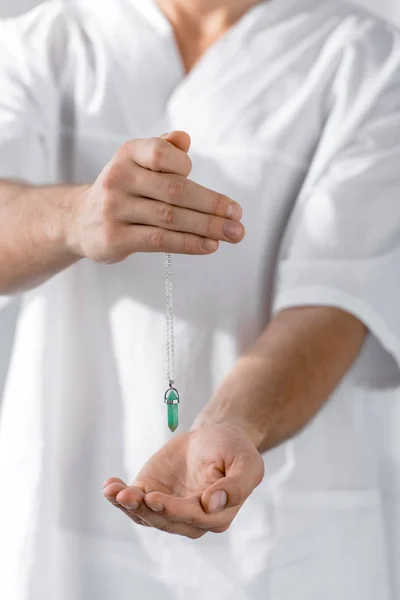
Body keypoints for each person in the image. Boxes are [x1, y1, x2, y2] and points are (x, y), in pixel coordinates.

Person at [0, 0, 399, 598]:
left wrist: (233, 424)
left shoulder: (367, 58)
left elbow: (338, 298)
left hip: (285, 542)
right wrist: (73, 219)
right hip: (63, 525)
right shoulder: (41, 44)